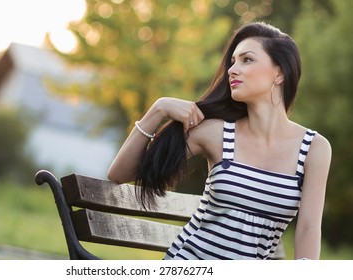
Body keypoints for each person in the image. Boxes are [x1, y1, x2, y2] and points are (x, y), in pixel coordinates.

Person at [107, 22, 332, 260]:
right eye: (233, 61)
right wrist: (158, 109)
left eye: (247, 60)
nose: (232, 70)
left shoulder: (314, 149)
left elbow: (308, 228)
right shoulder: (215, 133)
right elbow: (120, 174)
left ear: (280, 73)